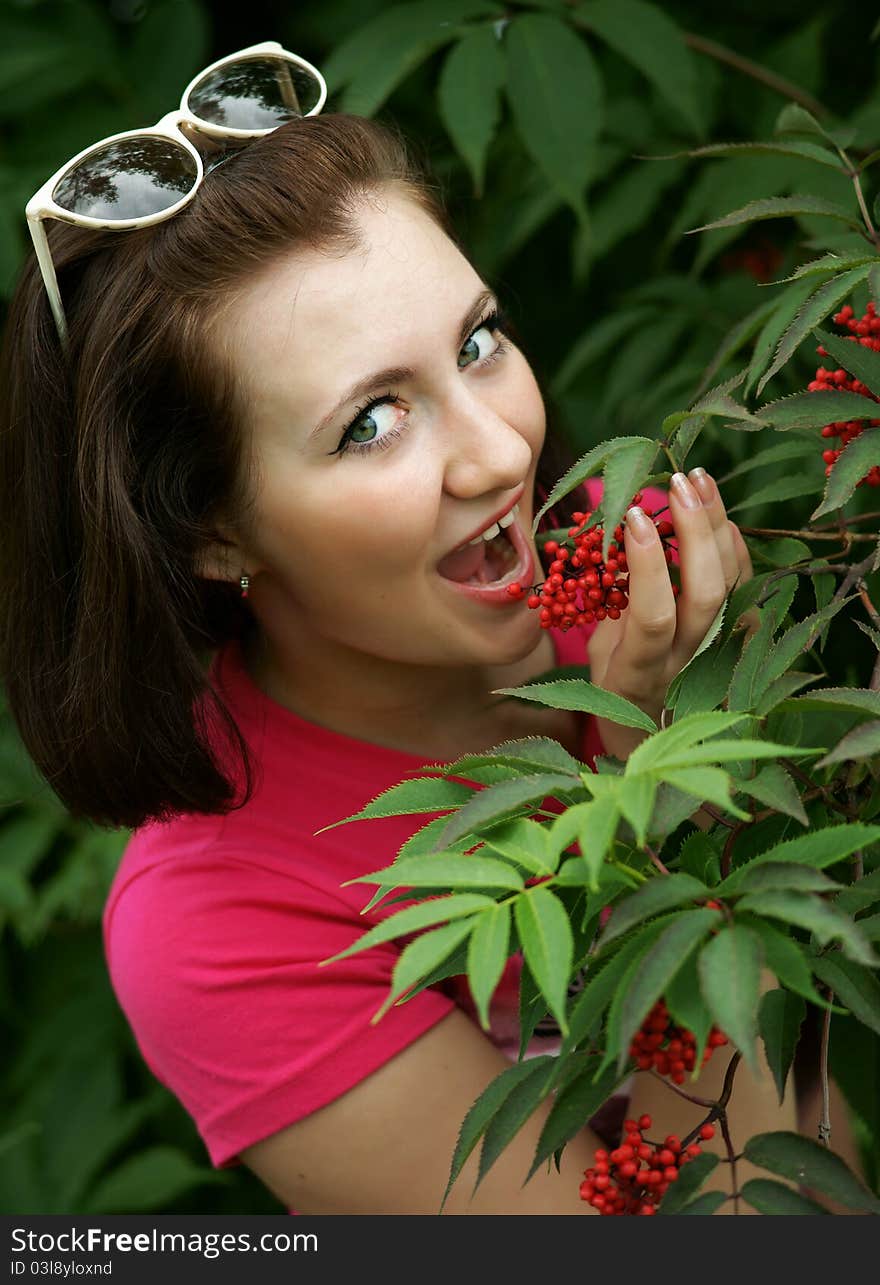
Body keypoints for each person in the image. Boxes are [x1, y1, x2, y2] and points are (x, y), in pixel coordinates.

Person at [1, 70, 800, 1215]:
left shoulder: (662, 582)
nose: (498, 455)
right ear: (210, 533)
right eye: (370, 423)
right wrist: (670, 781)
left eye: (478, 343)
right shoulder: (220, 924)